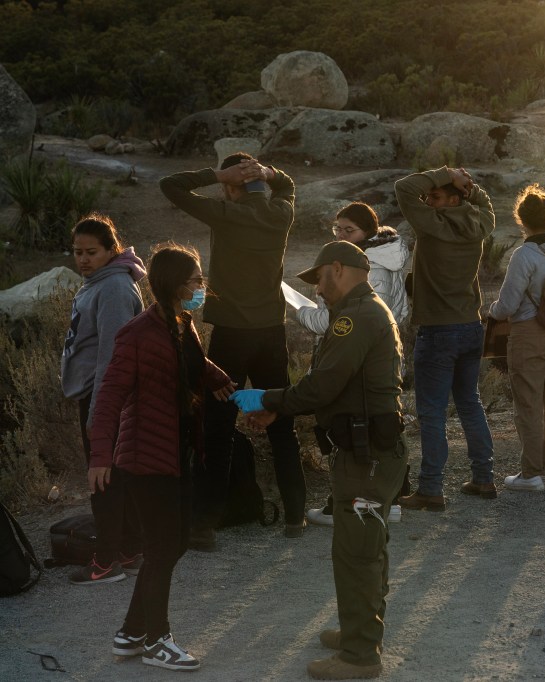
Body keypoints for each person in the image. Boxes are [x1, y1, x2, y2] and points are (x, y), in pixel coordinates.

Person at [230, 241, 405, 680]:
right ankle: (359, 631)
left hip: (365, 458)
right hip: (368, 454)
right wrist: (280, 407)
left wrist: (265, 398)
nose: (319, 290)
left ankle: (360, 655)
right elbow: (325, 385)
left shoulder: (357, 318)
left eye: (320, 279)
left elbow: (322, 386)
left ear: (338, 270)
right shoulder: (363, 313)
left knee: (357, 555)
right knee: (368, 549)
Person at [88, 243, 234, 671]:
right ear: (173, 285)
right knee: (164, 546)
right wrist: (100, 456)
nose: (200, 288)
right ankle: (156, 639)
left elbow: (189, 361)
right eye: (194, 281)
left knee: (171, 545)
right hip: (144, 459)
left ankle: (132, 632)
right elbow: (109, 396)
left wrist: (216, 376)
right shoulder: (136, 333)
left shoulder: (181, 323)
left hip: (176, 453)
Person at [160, 152, 305, 547]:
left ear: (228, 185)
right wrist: (270, 172)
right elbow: (288, 186)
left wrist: (215, 172)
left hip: (232, 336)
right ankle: (295, 517)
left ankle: (204, 525)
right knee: (282, 424)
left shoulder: (225, 213)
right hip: (272, 333)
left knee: (218, 428)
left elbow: (170, 186)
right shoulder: (281, 214)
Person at [393, 166, 496, 511]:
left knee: (433, 412)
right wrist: (467, 185)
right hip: (470, 327)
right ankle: (483, 477)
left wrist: (444, 172)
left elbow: (404, 187)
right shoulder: (480, 224)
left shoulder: (433, 225)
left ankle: (431, 489)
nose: (427, 200)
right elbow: (486, 207)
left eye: (435, 196)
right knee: (469, 403)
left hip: (439, 331)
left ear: (453, 200)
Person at [302, 201, 411, 526]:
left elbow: (340, 320)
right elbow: (401, 311)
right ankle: (387, 500)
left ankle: (345, 506)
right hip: (381, 357)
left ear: (369, 231)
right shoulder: (384, 259)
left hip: (359, 359)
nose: (342, 235)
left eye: (349, 230)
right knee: (382, 426)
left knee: (348, 431)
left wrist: (301, 312)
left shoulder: (368, 267)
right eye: (338, 229)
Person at [60, 214, 147, 585]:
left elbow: (113, 356)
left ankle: (107, 561)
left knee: (103, 478)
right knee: (114, 477)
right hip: (98, 394)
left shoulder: (113, 289)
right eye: (77, 252)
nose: (82, 259)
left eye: (91, 252)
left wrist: (99, 412)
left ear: (112, 250)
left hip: (106, 397)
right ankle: (127, 548)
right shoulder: (99, 282)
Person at [488, 184, 545, 491]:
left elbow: (508, 305)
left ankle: (531, 474)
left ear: (521, 219)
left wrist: (491, 311)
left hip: (530, 332)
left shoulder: (524, 255)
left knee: (529, 403)